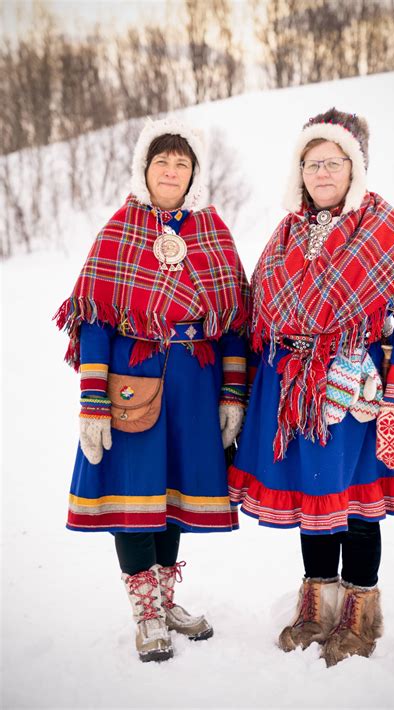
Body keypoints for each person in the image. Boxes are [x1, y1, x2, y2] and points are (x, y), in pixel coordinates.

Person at [228, 108, 394, 666]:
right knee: (315, 498)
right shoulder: (285, 236)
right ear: (298, 171)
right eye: (312, 163)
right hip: (296, 393)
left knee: (357, 505)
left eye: (334, 162)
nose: (322, 173)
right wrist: (251, 395)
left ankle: (358, 616)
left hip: (361, 396)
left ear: (355, 168)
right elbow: (261, 315)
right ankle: (316, 604)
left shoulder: (385, 228)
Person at [55, 118, 249, 663]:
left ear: (195, 173)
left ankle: (165, 601)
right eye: (162, 161)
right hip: (131, 380)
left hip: (194, 381)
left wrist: (233, 393)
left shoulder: (213, 231)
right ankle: (145, 612)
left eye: (182, 163)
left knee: (174, 495)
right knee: (135, 492)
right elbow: (93, 319)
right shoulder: (119, 230)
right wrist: (92, 401)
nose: (171, 170)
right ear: (145, 168)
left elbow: (237, 317)